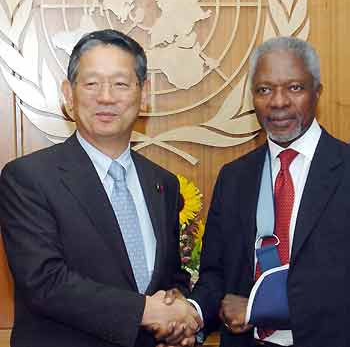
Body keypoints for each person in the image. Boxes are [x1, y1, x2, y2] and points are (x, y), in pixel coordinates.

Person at [0, 29, 201, 347]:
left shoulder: (162, 183)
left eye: (121, 84)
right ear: (68, 94)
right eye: (91, 83)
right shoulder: (27, 178)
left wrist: (178, 321)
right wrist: (146, 311)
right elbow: (45, 282)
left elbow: (171, 277)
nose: (106, 97)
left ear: (143, 94)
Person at [187, 36, 350, 347]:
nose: (278, 102)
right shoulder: (234, 178)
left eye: (294, 88)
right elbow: (214, 276)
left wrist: (262, 308)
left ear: (317, 92)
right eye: (264, 90)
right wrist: (191, 314)